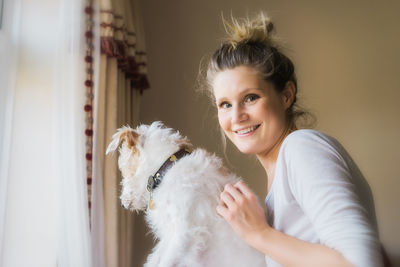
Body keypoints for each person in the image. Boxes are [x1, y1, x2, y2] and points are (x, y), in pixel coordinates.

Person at [202, 12, 386, 267]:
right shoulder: (278, 183)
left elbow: (360, 263)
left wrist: (259, 234)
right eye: (224, 104)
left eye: (251, 98)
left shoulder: (301, 149)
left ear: (286, 95)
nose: (237, 116)